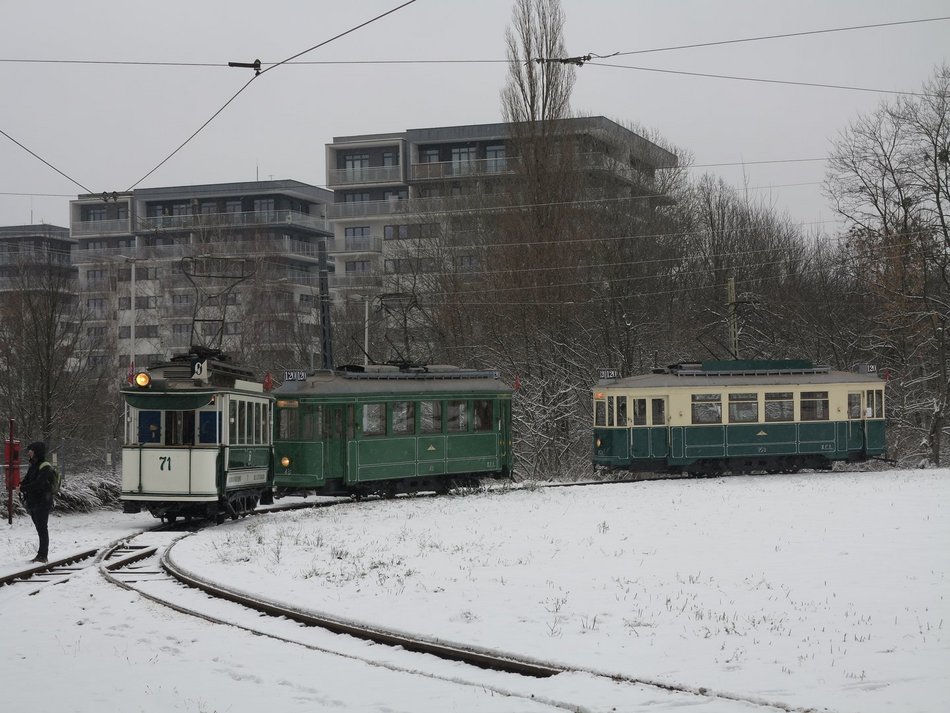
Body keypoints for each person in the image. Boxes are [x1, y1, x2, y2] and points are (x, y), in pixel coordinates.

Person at [19, 441, 55, 563]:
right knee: (40, 527)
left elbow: (39, 484)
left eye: (31, 450)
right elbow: (27, 480)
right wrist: (21, 485)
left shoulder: (45, 466)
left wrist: (23, 488)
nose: (28, 452)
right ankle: (41, 554)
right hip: (34, 501)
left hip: (43, 501)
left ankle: (43, 555)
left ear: (36, 451)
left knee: (42, 528)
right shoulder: (33, 465)